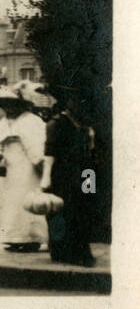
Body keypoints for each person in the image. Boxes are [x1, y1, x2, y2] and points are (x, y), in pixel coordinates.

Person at [41, 85, 95, 267]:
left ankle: (81, 251)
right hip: (63, 175)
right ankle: (63, 252)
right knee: (64, 213)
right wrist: (46, 178)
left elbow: (90, 154)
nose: (80, 105)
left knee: (84, 209)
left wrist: (91, 183)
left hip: (86, 173)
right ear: (69, 103)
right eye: (76, 101)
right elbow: (49, 153)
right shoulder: (57, 123)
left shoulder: (84, 124)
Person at [0, 83, 46, 252]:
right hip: (11, 167)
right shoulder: (2, 124)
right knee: (12, 201)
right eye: (5, 105)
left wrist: (38, 162)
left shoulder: (32, 121)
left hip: (28, 166)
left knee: (28, 198)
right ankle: (13, 237)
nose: (8, 109)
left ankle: (32, 237)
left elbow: (35, 144)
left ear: (21, 105)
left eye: (12, 104)